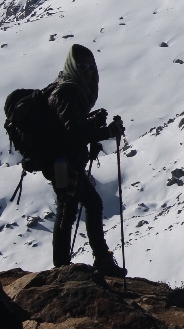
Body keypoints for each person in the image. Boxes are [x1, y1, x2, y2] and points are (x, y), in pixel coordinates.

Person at [42, 44, 126, 277]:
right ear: (72, 66)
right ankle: (63, 268)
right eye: (82, 67)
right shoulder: (67, 92)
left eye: (91, 67)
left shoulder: (71, 89)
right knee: (68, 212)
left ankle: (88, 260)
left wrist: (93, 122)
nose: (88, 71)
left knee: (86, 206)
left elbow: (71, 127)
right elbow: (74, 131)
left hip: (67, 160)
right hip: (64, 163)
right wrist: (105, 132)